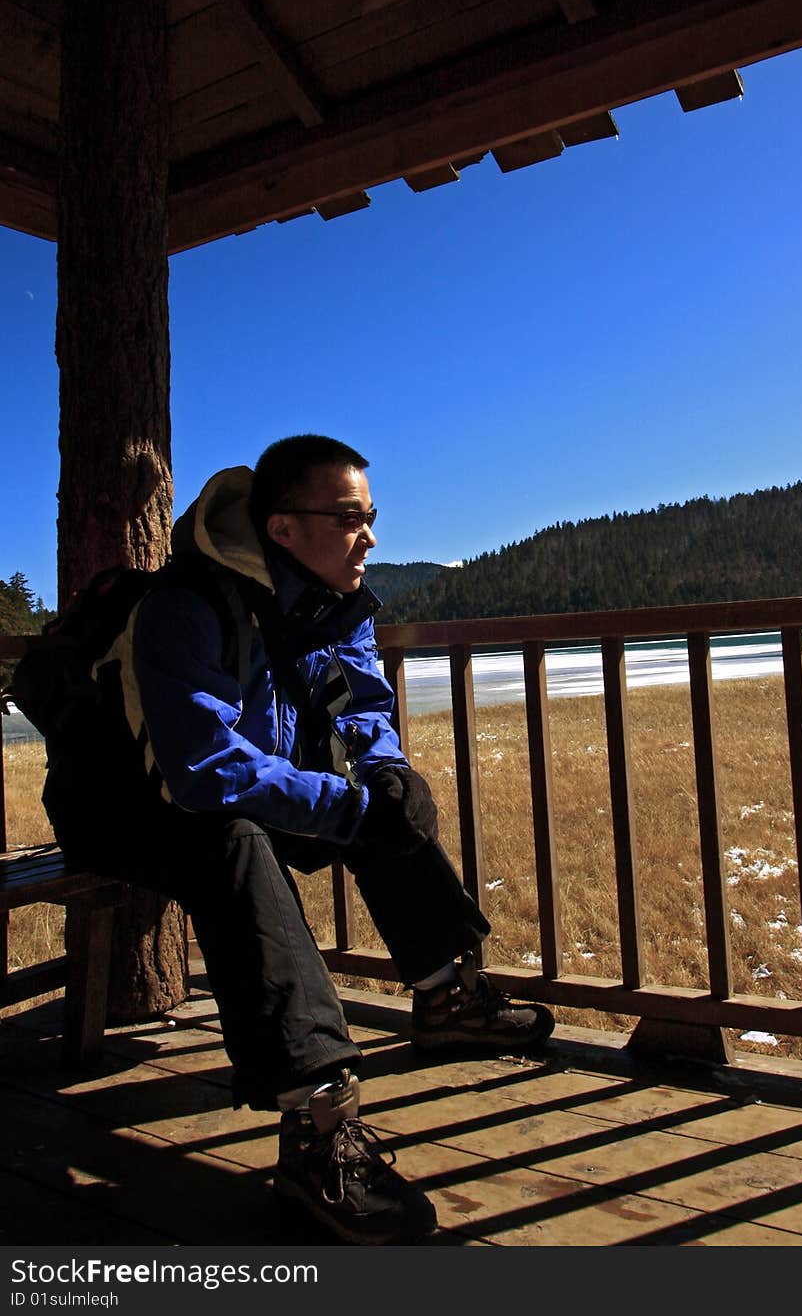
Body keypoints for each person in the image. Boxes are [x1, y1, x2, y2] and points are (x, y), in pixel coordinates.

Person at [49, 434, 554, 1246]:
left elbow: (361, 706)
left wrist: (382, 774)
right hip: (131, 811)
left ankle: (447, 996)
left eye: (373, 515)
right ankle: (318, 1130)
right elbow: (202, 772)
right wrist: (350, 808)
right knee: (236, 846)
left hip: (234, 792)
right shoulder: (186, 607)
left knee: (375, 806)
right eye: (351, 517)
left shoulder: (335, 602)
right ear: (283, 527)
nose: (371, 537)